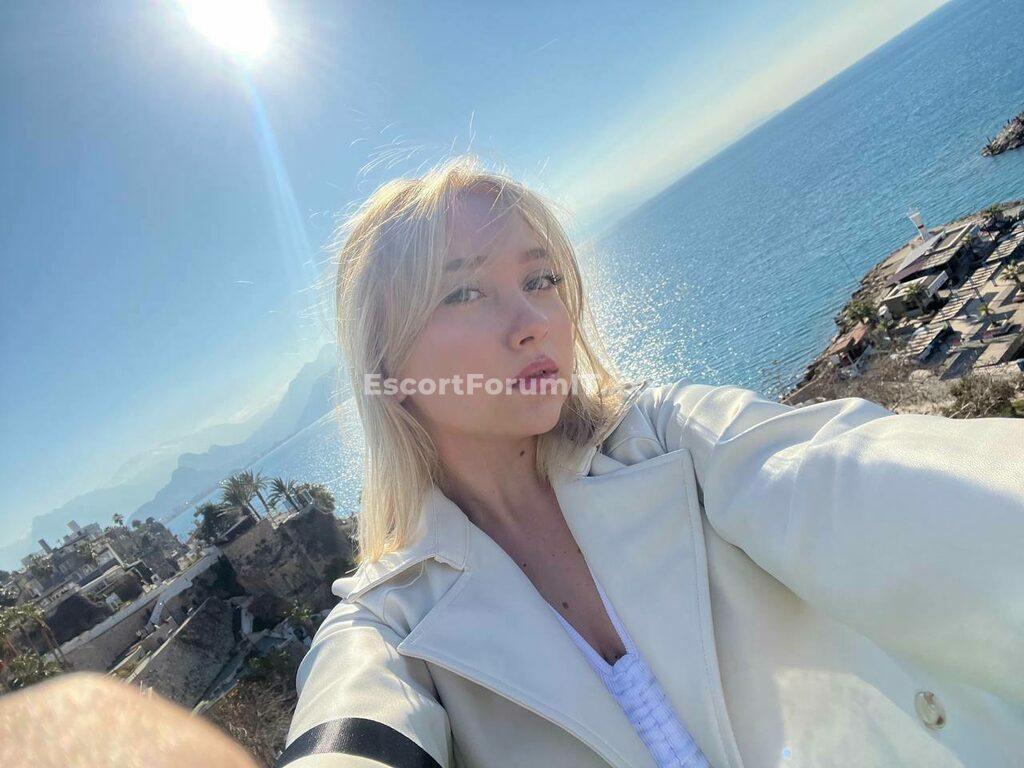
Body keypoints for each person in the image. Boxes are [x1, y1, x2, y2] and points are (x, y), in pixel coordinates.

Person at [281, 155, 1024, 768]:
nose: (533, 322)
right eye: (466, 291)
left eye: (541, 279)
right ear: (388, 364)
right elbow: (350, 735)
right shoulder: (389, 627)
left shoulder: (676, 440)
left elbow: (878, 482)